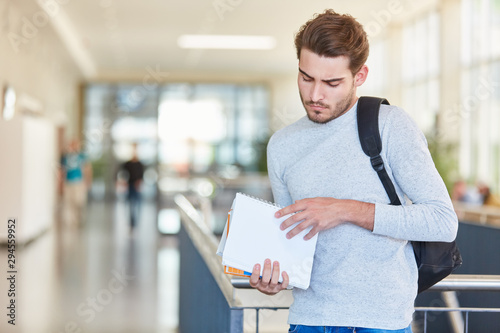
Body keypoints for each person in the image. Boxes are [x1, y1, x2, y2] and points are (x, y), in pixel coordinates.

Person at [249, 10, 458, 332]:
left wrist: (344, 210)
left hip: (381, 322)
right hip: (309, 319)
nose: (315, 95)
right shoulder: (282, 145)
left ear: (359, 76)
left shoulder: (390, 125)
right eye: (306, 78)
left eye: (332, 82)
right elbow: (290, 242)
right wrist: (275, 277)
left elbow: (442, 222)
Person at [60, 139, 92, 227]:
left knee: (79, 201)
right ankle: (70, 222)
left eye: (75, 145)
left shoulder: (82, 156)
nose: (73, 147)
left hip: (79, 182)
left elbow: (87, 169)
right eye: (72, 145)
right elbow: (62, 171)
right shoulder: (65, 157)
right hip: (68, 182)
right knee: (68, 202)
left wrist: (88, 181)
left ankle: (79, 219)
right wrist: (61, 183)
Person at [119, 143, 145, 231]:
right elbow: (121, 173)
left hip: (137, 187)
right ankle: (131, 224)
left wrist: (140, 182)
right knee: (130, 205)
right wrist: (122, 182)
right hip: (130, 186)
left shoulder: (140, 164)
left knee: (137, 205)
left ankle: (136, 223)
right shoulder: (127, 164)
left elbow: (142, 176)